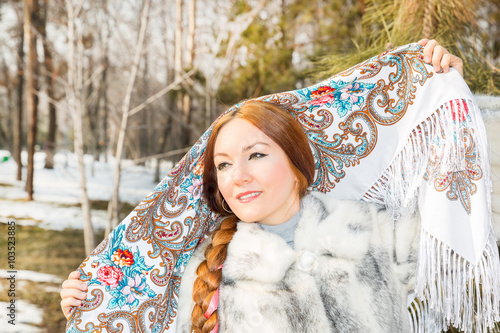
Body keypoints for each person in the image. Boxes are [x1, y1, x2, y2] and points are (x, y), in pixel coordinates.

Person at [61, 40, 499, 333]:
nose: (239, 176)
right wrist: (88, 303)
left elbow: (468, 211)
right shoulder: (202, 274)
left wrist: (454, 97)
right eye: (224, 165)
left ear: (295, 163)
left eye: (256, 154)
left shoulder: (376, 231)